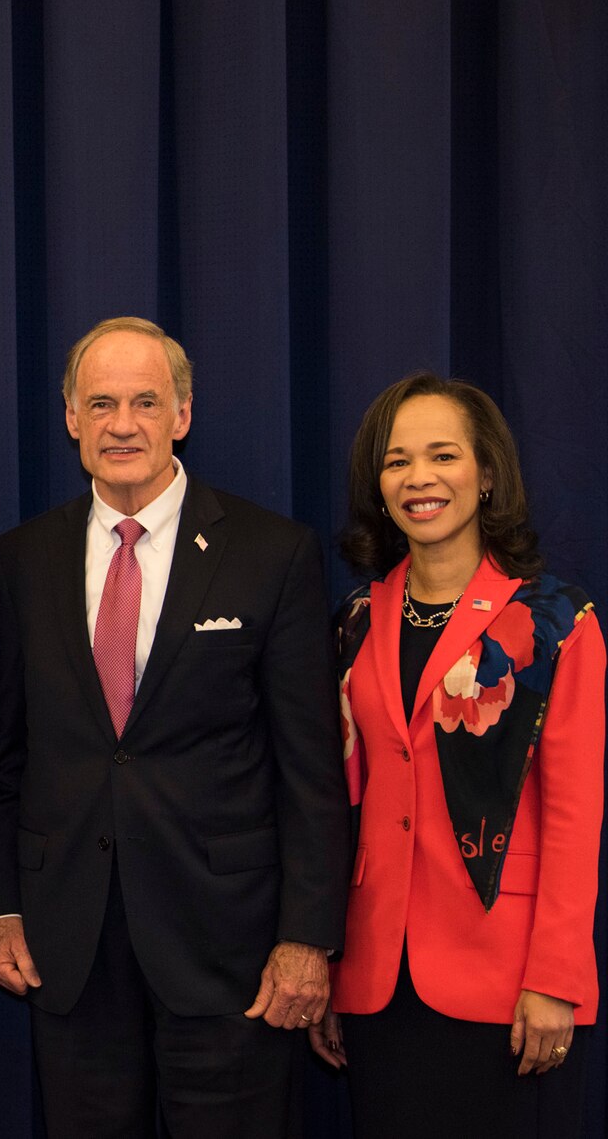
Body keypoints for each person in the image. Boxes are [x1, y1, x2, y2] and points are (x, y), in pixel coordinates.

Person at [0, 317, 349, 1136]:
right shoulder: (23, 559)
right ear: (71, 418)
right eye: (101, 403)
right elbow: (8, 759)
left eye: (146, 402)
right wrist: (1, 910)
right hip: (68, 950)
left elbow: (311, 771)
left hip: (230, 954)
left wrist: (308, 938)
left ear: (182, 414)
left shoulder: (272, 553)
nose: (123, 424)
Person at [308, 373, 602, 1135]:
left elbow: (574, 817)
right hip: (376, 977)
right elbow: (339, 803)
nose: (420, 479)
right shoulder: (351, 622)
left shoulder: (555, 622)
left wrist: (558, 977)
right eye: (397, 460)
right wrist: (331, 967)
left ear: (488, 474)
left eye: (443, 456)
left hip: (504, 979)